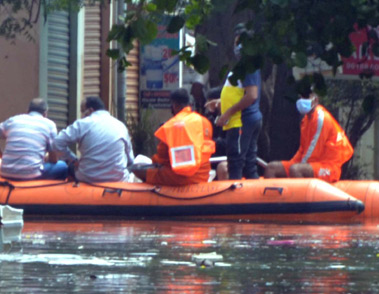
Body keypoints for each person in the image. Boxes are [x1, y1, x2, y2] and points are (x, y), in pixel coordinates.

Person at [263, 87, 353, 182]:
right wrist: (292, 163)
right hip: (312, 165)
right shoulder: (305, 120)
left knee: (296, 169)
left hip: (328, 167)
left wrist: (294, 167)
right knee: (271, 168)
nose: (303, 100)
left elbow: (313, 153)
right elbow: (302, 149)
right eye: (302, 96)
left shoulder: (321, 119)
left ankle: (298, 196)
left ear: (316, 100)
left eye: (307, 97)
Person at [207, 33, 262, 180]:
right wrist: (220, 102)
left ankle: (235, 194)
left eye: (240, 43)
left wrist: (227, 113)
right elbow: (238, 93)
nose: (237, 47)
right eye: (236, 43)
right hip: (247, 119)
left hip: (241, 121)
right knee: (249, 164)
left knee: (236, 162)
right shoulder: (246, 66)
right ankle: (253, 197)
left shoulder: (247, 67)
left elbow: (251, 96)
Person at [136, 88, 216, 186]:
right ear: (189, 104)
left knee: (136, 169)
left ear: (174, 105)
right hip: (203, 175)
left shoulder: (170, 126)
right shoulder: (205, 122)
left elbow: (162, 157)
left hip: (178, 178)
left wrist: (155, 160)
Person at [51, 96, 136, 183]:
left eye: (82, 111)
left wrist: (73, 160)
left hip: (88, 178)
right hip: (118, 179)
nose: (82, 115)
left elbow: (56, 143)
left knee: (67, 168)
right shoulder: (120, 126)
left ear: (90, 110)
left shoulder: (83, 124)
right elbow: (131, 160)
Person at [0, 98, 70, 180]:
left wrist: (2, 156)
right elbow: (53, 159)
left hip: (5, 172)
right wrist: (45, 157)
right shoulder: (49, 125)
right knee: (62, 166)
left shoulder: (13, 120)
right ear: (45, 114)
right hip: (31, 174)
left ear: (27, 111)